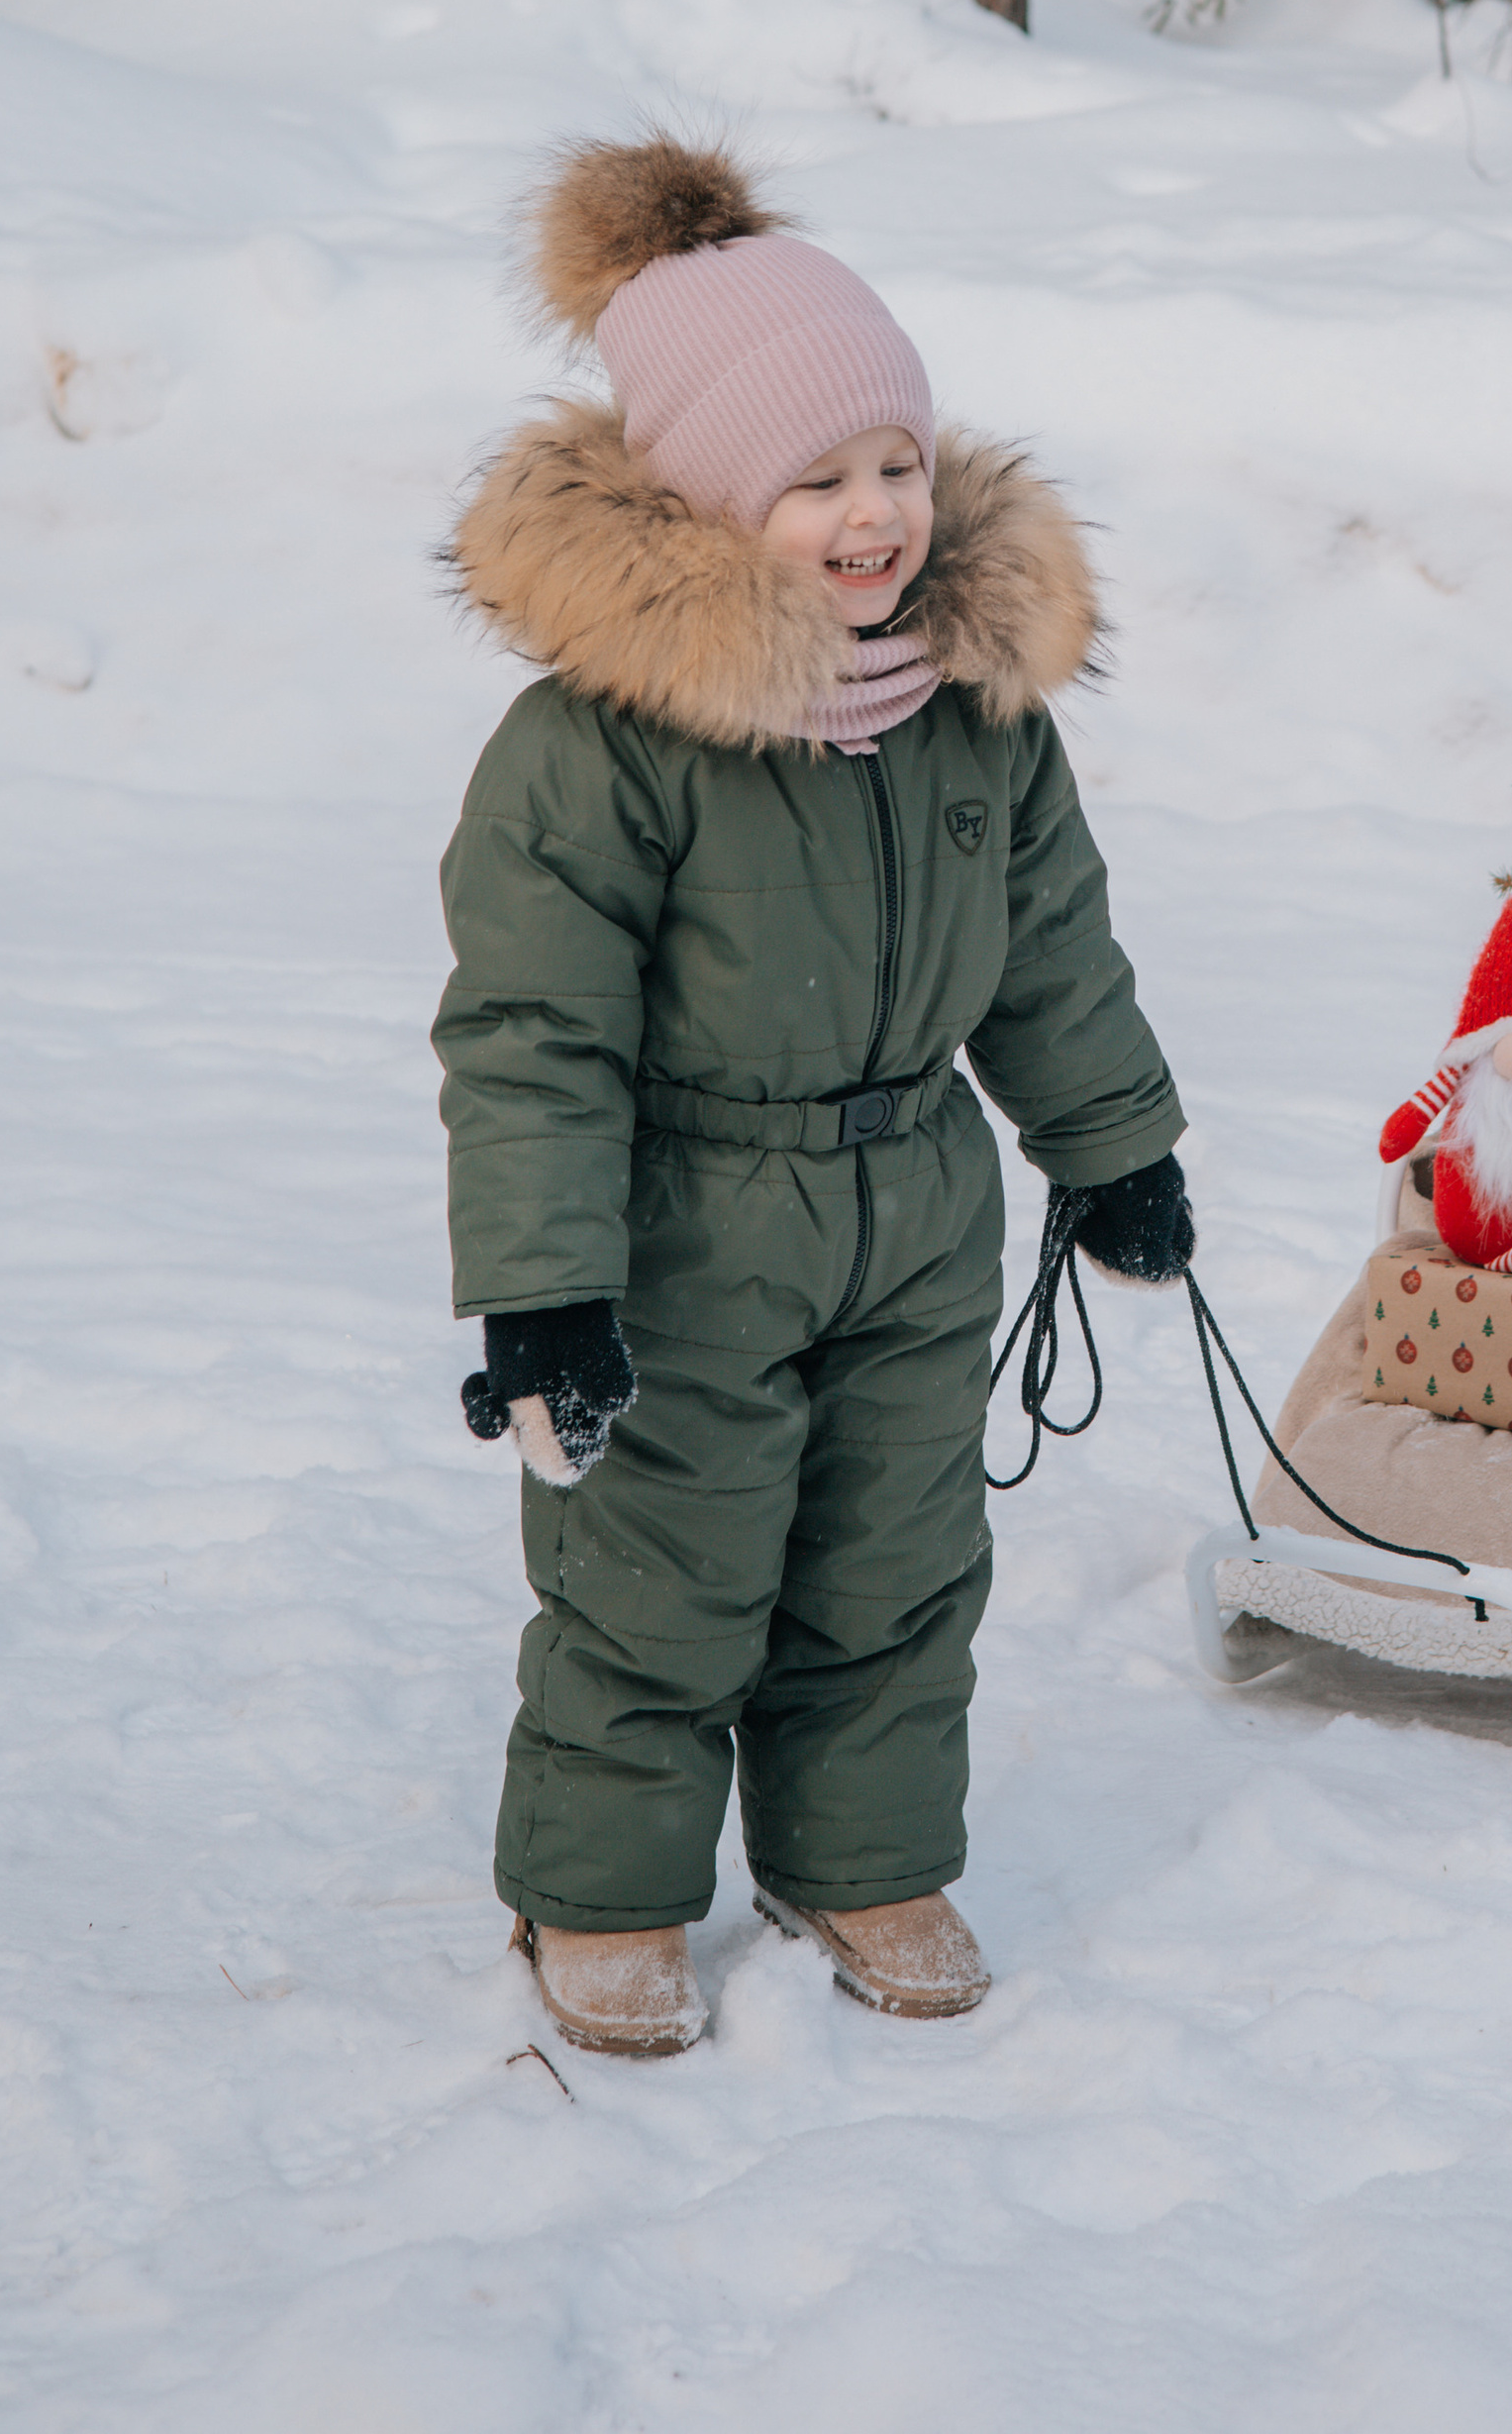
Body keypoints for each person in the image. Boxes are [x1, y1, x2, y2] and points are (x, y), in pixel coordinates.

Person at [435, 134, 1190, 2058]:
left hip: (917, 1201)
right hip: (691, 1218)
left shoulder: (967, 702)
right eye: (816, 480)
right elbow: (532, 1030)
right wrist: (545, 1288)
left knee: (896, 1556)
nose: (872, 517)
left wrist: (1110, 1148)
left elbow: (1048, 948)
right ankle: (597, 1895)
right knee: (660, 1571)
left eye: (895, 465)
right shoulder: (598, 753)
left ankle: (858, 1854)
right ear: (699, 495)